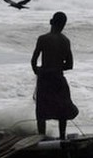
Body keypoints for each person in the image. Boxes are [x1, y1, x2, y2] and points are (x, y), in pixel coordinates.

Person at [30, 11, 79, 139]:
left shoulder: (43, 39)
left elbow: (33, 61)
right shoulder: (65, 41)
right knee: (62, 110)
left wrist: (39, 71)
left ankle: (41, 137)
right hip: (58, 78)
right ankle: (62, 136)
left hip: (45, 79)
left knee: (42, 112)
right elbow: (69, 65)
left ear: (51, 22)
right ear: (64, 25)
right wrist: (56, 68)